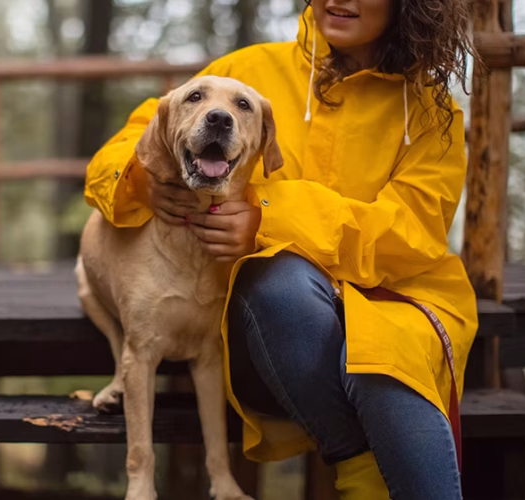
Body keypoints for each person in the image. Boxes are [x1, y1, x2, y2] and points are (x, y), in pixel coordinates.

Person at [84, 0, 479, 498]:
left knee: (387, 363)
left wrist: (267, 219)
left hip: (394, 296)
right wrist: (143, 181)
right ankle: (359, 463)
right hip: (273, 319)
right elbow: (135, 140)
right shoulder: (245, 72)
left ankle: (361, 471)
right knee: (278, 283)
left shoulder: (431, 112)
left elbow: (416, 232)